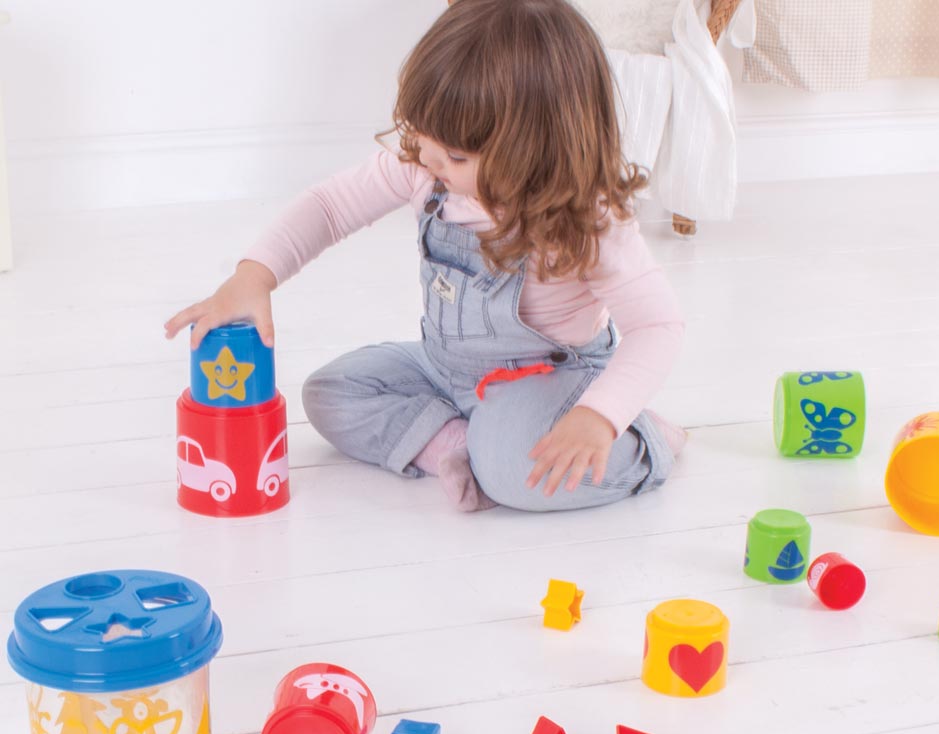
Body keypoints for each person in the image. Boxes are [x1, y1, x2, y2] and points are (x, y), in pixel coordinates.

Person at [165, 0, 686, 513]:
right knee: (330, 393)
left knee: (515, 475)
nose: (429, 159)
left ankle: (646, 441)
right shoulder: (426, 168)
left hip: (550, 385)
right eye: (422, 137)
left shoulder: (587, 223)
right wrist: (255, 274)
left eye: (456, 155)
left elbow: (658, 325)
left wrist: (601, 414)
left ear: (537, 149)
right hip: (445, 369)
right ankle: (452, 446)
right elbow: (329, 206)